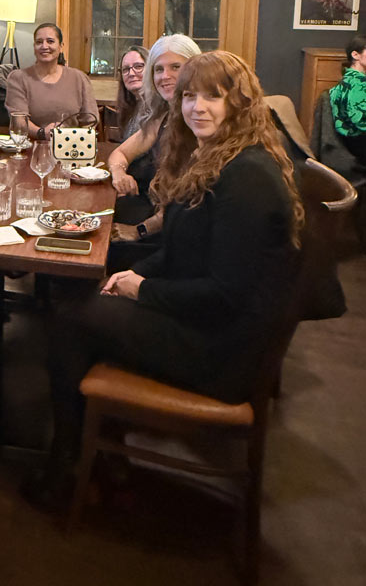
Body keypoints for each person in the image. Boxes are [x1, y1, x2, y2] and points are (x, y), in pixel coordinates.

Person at [26, 51, 303, 510]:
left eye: (214, 96)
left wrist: (143, 289)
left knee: (72, 318)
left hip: (222, 354)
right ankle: (99, 452)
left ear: (240, 102)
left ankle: (70, 464)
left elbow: (226, 294)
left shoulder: (248, 176)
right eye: (191, 96)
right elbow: (180, 251)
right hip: (210, 326)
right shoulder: (219, 157)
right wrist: (135, 272)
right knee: (90, 300)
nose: (198, 107)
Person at [107, 33, 201, 234]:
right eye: (159, 69)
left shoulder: (200, 122)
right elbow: (120, 154)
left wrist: (139, 231)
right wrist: (119, 173)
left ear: (195, 69)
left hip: (173, 229)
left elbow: (183, 202)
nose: (165, 76)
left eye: (176, 67)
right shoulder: (162, 117)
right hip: (150, 211)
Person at [4, 23, 99, 140]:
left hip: (72, 147)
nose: (44, 46)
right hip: (32, 147)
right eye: (39, 42)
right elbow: (19, 121)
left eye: (50, 41)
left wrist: (75, 141)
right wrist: (42, 133)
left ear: (61, 46)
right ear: (34, 47)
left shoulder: (79, 78)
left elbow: (90, 122)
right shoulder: (18, 78)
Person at [328, 34, 366, 162]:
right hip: (359, 143)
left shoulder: (347, 79)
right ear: (355, 55)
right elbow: (360, 120)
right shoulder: (357, 83)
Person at [111, 45, 149, 140]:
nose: (131, 74)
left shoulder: (156, 110)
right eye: (126, 69)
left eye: (138, 66)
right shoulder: (131, 106)